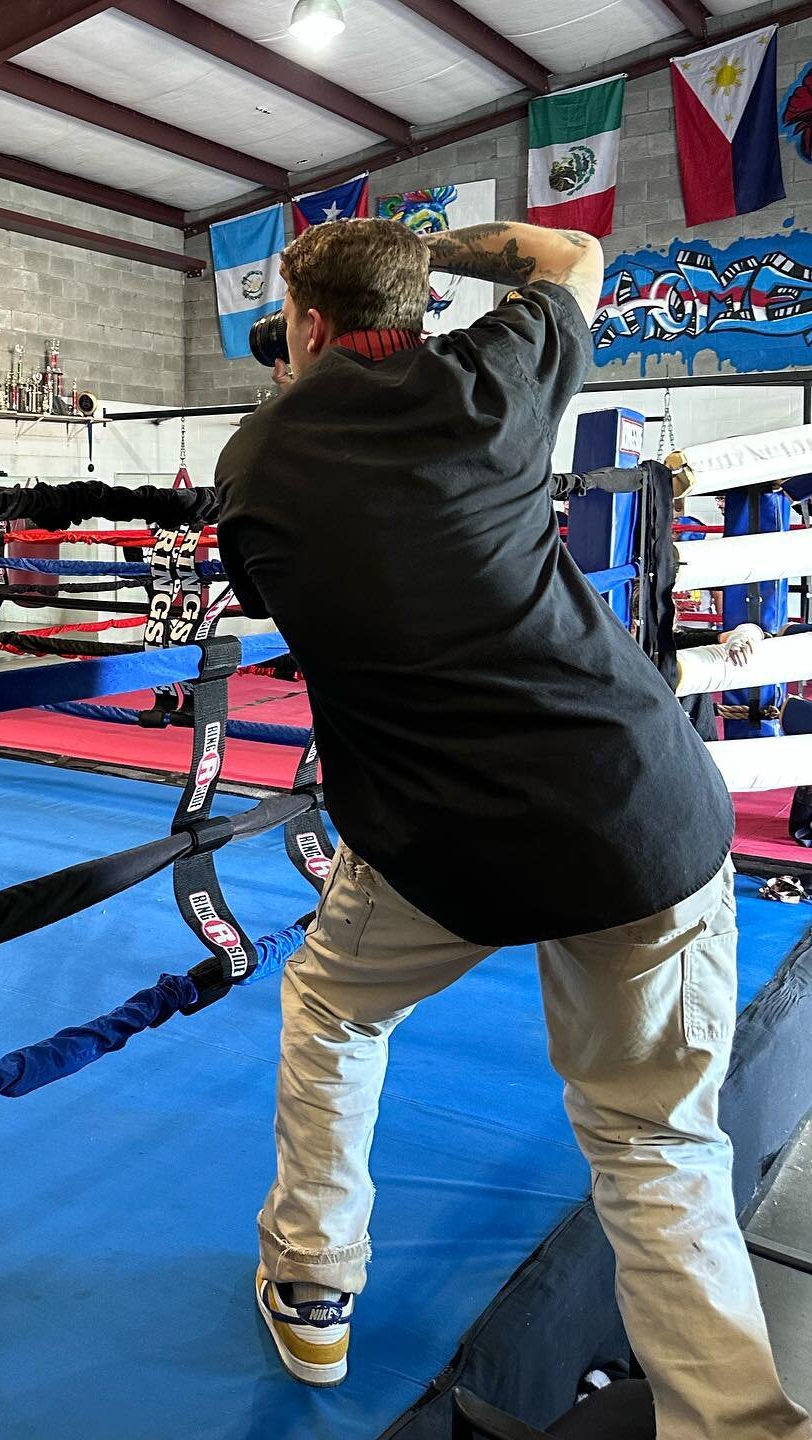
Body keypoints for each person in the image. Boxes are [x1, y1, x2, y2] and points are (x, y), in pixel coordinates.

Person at [215, 218, 810, 1438]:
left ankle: (316, 1283)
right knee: (655, 1147)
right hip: (632, 813)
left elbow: (283, 596)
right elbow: (573, 256)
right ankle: (742, 1430)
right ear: (419, 308)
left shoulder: (256, 461)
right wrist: (445, 248)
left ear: (310, 329)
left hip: (441, 842)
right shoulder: (495, 374)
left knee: (333, 1010)